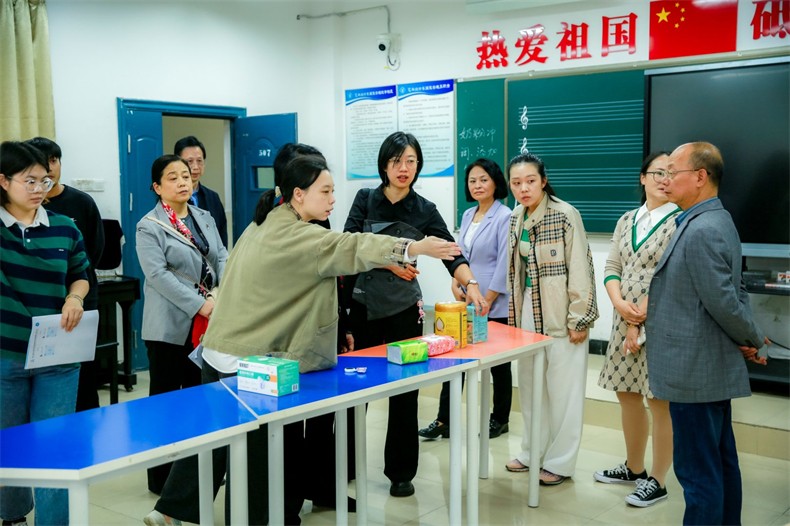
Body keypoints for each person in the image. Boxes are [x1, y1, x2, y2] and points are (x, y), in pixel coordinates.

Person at [145, 153, 462, 526]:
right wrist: (414, 248)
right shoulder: (302, 236)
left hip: (220, 352)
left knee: (216, 440)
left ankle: (171, 510)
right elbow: (352, 246)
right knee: (254, 464)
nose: (332, 199)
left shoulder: (265, 222)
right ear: (298, 193)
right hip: (247, 361)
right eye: (325, 191)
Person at [344, 131, 487, 498]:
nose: (403, 168)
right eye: (396, 161)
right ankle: (343, 467)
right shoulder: (365, 200)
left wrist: (470, 283)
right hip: (362, 309)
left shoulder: (424, 209)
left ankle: (401, 472)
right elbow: (347, 247)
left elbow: (451, 252)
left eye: (410, 161)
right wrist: (393, 261)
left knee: (405, 393)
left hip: (404, 311)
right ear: (384, 165)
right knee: (353, 392)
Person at [645, 141, 767, 525]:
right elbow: (734, 290)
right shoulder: (716, 220)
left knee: (698, 474)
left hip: (694, 372)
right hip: (705, 368)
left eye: (672, 172)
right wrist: (749, 336)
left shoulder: (701, 229)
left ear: (700, 177)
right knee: (720, 462)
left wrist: (752, 338)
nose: (665, 180)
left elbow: (724, 301)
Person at [0, 141, 90, 526]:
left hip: (58, 353)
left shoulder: (65, 227)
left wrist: (75, 297)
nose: (39, 189)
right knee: (8, 442)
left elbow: (80, 274)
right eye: (29, 181)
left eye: (45, 180)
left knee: (54, 446)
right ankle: (12, 516)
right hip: (6, 354)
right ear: (3, 181)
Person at [503, 152, 598, 486]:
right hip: (527, 309)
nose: (524, 188)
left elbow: (582, 268)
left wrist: (579, 318)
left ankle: (560, 462)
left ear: (543, 181)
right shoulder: (515, 217)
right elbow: (515, 272)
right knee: (530, 386)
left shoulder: (565, 214)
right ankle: (532, 452)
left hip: (561, 311)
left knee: (563, 392)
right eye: (516, 183)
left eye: (530, 181)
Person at [136, 154, 228, 495]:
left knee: (199, 399)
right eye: (172, 177)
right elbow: (157, 275)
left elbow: (222, 255)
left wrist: (220, 294)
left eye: (186, 176)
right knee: (165, 402)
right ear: (157, 187)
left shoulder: (204, 216)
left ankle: (192, 474)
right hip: (169, 326)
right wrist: (201, 304)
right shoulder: (149, 225)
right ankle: (160, 477)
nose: (182, 182)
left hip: (209, 319)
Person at [594, 152, 680, 507]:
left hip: (659, 318)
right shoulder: (627, 218)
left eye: (672, 173)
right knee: (626, 393)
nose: (665, 179)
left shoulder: (680, 220)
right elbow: (612, 265)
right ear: (643, 177)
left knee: (658, 400)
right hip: (623, 315)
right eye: (658, 172)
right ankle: (634, 467)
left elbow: (670, 274)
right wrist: (618, 303)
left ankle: (658, 480)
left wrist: (636, 316)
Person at [419, 158, 512, 441]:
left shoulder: (505, 216)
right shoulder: (468, 214)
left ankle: (500, 419)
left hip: (494, 302)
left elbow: (504, 263)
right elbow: (459, 255)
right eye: (472, 181)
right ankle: (444, 420)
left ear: (495, 182)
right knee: (455, 359)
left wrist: (488, 297)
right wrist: (455, 280)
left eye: (483, 179)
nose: (477, 185)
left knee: (499, 365)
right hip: (467, 301)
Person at [25, 137, 106, 412]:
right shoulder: (23, 207)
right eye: (43, 162)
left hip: (79, 298)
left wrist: (75, 291)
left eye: (54, 160)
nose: (50, 168)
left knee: (82, 376)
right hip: (39, 303)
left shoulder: (81, 202)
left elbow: (94, 251)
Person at [174, 136, 228, 248]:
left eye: (199, 161)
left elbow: (222, 237)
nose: (195, 167)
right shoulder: (170, 198)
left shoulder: (213, 197)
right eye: (189, 161)